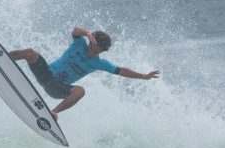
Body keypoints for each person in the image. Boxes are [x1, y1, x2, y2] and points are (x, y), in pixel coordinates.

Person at [9, 27, 159, 121]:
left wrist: (143, 76)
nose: (93, 52)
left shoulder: (99, 63)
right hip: (46, 73)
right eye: (93, 47)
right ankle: (1, 57)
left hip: (58, 88)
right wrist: (88, 33)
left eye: (98, 51)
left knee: (80, 91)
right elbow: (75, 31)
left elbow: (121, 71)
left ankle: (53, 113)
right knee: (30, 53)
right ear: (91, 41)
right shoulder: (79, 43)